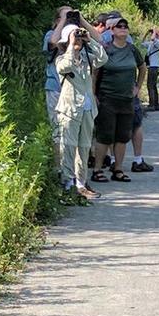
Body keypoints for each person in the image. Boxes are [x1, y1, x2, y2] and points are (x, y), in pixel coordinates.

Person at [56, 24, 108, 199]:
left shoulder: (88, 58)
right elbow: (65, 67)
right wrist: (71, 45)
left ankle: (80, 183)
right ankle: (67, 183)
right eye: (74, 37)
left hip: (87, 108)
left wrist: (89, 40)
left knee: (84, 147)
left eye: (78, 37)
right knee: (69, 145)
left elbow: (103, 58)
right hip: (69, 108)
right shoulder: (61, 59)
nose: (77, 40)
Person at [91, 18, 146, 183]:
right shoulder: (106, 49)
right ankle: (97, 170)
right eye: (119, 26)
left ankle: (118, 169)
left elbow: (142, 67)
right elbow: (95, 72)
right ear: (112, 31)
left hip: (127, 100)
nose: (123, 28)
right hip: (107, 99)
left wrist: (138, 87)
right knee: (104, 136)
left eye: (125, 26)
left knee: (123, 136)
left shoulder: (132, 49)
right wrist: (93, 93)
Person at [42, 10, 65, 167]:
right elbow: (52, 43)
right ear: (57, 19)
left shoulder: (79, 34)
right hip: (55, 87)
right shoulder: (51, 33)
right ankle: (59, 169)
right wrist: (62, 24)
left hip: (74, 89)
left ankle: (74, 174)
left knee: (74, 132)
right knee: (57, 129)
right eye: (66, 15)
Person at [130, 96, 154, 172]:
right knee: (137, 125)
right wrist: (138, 87)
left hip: (107, 94)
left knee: (113, 125)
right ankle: (138, 160)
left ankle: (113, 161)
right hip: (129, 92)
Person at [142, 27, 159, 111]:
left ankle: (152, 105)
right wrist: (146, 33)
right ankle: (156, 104)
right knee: (153, 86)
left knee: (150, 85)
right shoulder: (151, 44)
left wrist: (154, 31)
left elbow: (153, 38)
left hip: (154, 66)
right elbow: (142, 43)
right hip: (152, 66)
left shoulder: (158, 43)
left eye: (153, 34)